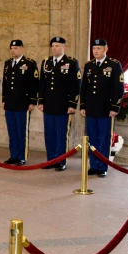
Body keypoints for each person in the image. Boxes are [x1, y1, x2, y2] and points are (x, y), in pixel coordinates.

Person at [79, 38, 123, 178]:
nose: (95, 51)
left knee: (104, 138)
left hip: (106, 108)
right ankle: (94, 165)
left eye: (98, 48)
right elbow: (84, 87)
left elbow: (119, 87)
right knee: (92, 138)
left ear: (105, 49)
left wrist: (115, 107)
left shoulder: (114, 65)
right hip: (91, 108)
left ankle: (103, 166)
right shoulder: (89, 65)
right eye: (94, 49)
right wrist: (83, 105)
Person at [38, 36, 81, 171]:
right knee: (49, 133)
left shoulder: (71, 62)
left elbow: (76, 85)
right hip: (49, 105)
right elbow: (42, 83)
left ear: (63, 47)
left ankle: (60, 161)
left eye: (57, 46)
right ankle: (50, 160)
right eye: (53, 46)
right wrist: (41, 101)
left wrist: (72, 104)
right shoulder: (46, 62)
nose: (54, 48)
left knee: (61, 134)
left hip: (63, 105)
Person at [2, 40, 38, 166]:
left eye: (16, 48)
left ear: (22, 49)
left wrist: (33, 101)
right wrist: (4, 99)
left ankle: (22, 156)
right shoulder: (8, 63)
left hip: (23, 103)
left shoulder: (29, 63)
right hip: (10, 103)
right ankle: (14, 155)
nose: (13, 50)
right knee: (12, 131)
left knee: (21, 131)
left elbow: (34, 84)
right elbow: (5, 83)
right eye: (11, 48)